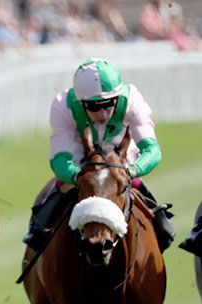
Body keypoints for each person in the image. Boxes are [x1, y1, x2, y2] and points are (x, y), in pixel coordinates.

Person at [23, 57, 174, 253]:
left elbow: (152, 150)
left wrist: (131, 171)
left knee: (153, 213)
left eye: (109, 103)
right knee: (61, 187)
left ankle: (160, 229)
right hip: (81, 157)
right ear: (81, 103)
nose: (103, 114)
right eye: (94, 106)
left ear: (118, 97)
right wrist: (78, 176)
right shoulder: (63, 106)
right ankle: (38, 232)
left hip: (121, 156)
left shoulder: (132, 101)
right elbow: (60, 160)